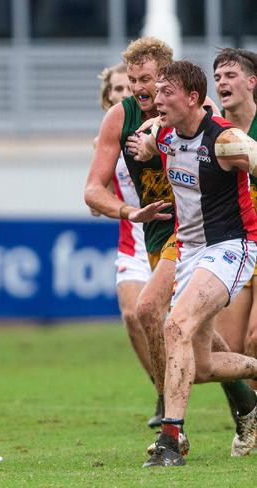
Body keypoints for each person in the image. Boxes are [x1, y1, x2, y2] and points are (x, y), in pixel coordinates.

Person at [85, 37, 254, 459]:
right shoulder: (139, 125)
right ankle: (243, 405)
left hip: (218, 240)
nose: (146, 92)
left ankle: (171, 429)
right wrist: (128, 209)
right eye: (137, 83)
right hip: (171, 237)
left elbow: (217, 131)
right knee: (199, 355)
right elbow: (92, 192)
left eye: (154, 84)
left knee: (164, 318)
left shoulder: (216, 131)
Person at [132, 60, 257, 467]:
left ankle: (171, 441)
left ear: (192, 99)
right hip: (190, 250)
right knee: (199, 366)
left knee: (175, 325)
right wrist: (149, 144)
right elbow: (154, 138)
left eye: (166, 92)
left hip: (232, 247)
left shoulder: (225, 140)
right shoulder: (164, 132)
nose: (157, 100)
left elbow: (250, 153)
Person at [96, 63, 157, 425]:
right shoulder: (105, 139)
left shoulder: (160, 128)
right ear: (107, 98)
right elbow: (96, 194)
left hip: (172, 239)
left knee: (200, 333)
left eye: (129, 87)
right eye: (117, 89)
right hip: (133, 242)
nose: (124, 94)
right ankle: (163, 392)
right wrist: (108, 202)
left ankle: (241, 399)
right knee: (133, 315)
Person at [211, 48, 257, 393]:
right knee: (228, 348)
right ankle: (249, 421)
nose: (221, 82)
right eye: (217, 77)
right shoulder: (212, 131)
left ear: (251, 82)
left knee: (256, 339)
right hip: (236, 248)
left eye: (229, 75)